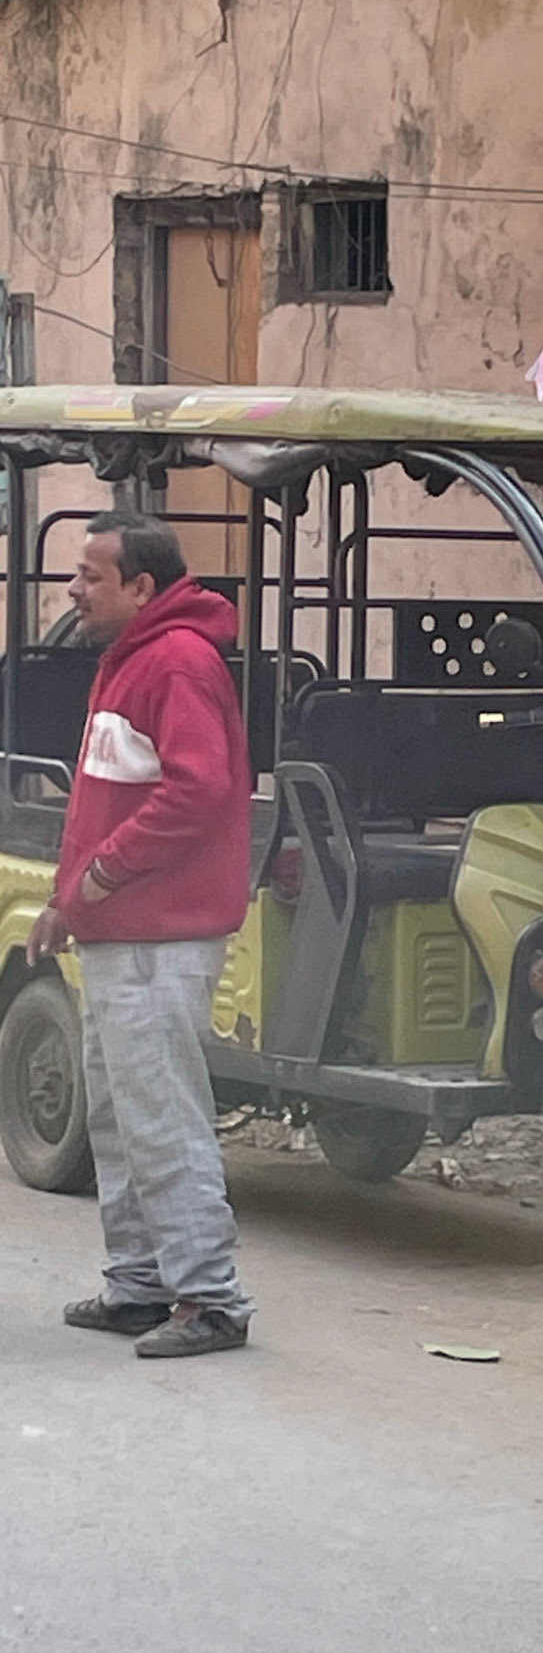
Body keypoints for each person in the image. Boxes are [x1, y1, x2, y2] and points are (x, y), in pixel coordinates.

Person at [27, 512, 255, 1359]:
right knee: (122, 1118)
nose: (74, 589)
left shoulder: (174, 664)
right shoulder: (137, 659)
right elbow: (114, 799)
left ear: (141, 589)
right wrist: (71, 901)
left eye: (91, 575)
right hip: (125, 930)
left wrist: (96, 880)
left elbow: (196, 794)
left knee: (161, 1116)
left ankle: (211, 1299)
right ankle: (139, 1284)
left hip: (159, 935)